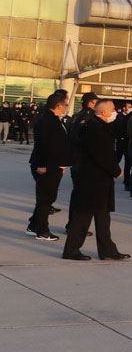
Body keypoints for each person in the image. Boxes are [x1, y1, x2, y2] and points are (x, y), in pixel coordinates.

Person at [62, 100, 129, 261]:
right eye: (112, 109)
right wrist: (116, 170)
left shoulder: (100, 126)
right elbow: (102, 155)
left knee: (103, 217)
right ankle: (71, 250)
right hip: (91, 180)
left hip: (100, 181)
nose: (115, 112)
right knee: (83, 216)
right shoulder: (94, 128)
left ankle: (107, 250)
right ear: (104, 112)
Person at [27, 90, 74, 241]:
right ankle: (42, 231)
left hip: (53, 165)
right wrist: (41, 164)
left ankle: (33, 225)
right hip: (46, 166)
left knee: (47, 198)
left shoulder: (54, 119)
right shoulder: (47, 121)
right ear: (59, 105)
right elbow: (42, 145)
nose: (67, 107)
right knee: (45, 199)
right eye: (66, 104)